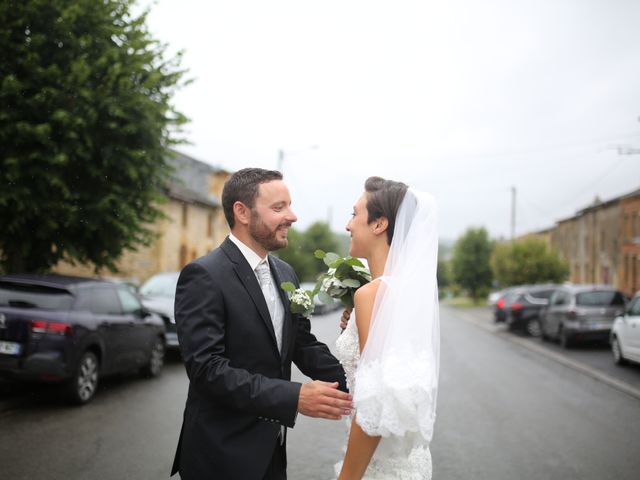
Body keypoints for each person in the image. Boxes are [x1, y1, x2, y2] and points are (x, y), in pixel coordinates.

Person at [171, 168, 352, 480]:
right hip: (221, 454)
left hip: (271, 448)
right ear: (242, 212)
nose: (292, 217)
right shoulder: (203, 275)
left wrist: (362, 383)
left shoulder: (285, 273)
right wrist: (294, 396)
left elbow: (302, 344)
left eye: (290, 205)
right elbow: (207, 369)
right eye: (279, 207)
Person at [334, 177, 440, 479]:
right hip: (408, 460)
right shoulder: (404, 294)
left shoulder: (372, 295)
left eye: (355, 214)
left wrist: (347, 477)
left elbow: (376, 403)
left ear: (379, 224)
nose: (348, 225)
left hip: (378, 465)